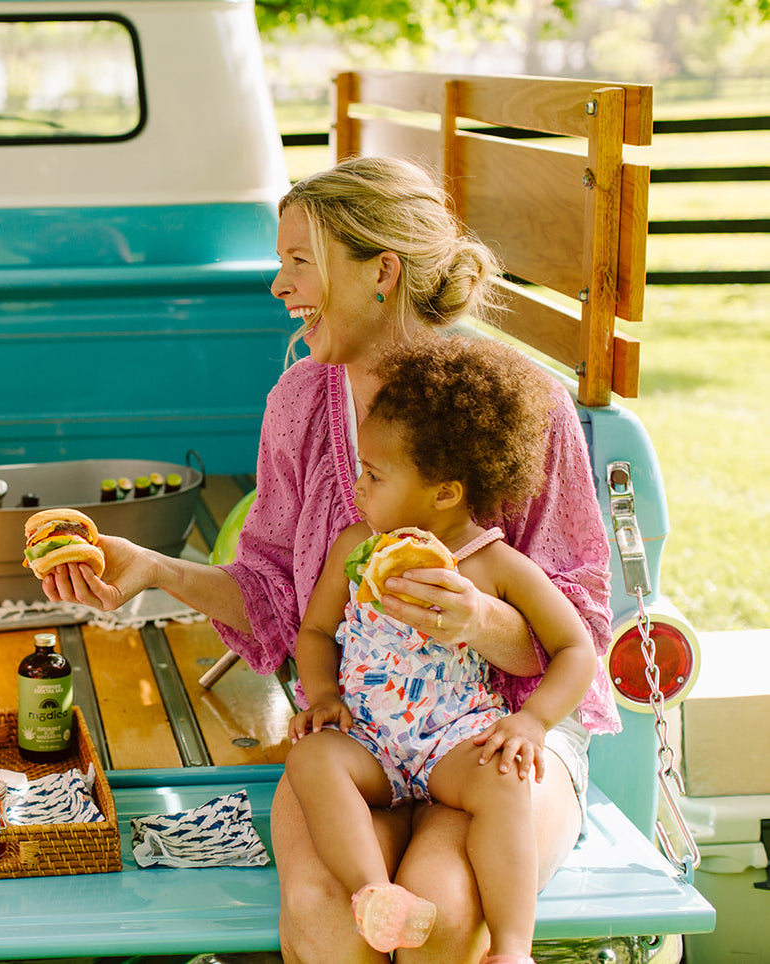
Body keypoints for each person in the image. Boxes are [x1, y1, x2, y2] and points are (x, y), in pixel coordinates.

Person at [43, 155, 621, 964]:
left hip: (496, 745)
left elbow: (579, 629)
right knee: (325, 916)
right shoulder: (298, 404)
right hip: (364, 738)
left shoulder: (519, 404)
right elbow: (278, 598)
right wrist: (156, 569)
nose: (278, 287)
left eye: (298, 262)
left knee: (441, 915)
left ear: (379, 271)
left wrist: (480, 618)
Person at [287, 337, 598, 964]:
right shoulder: (359, 549)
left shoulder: (493, 565)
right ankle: (373, 893)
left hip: (453, 742)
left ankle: (513, 946)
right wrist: (322, 695)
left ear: (445, 493)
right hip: (369, 739)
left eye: (374, 475)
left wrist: (533, 721)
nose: (358, 485)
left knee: (506, 782)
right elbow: (316, 633)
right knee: (312, 762)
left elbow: (575, 648)